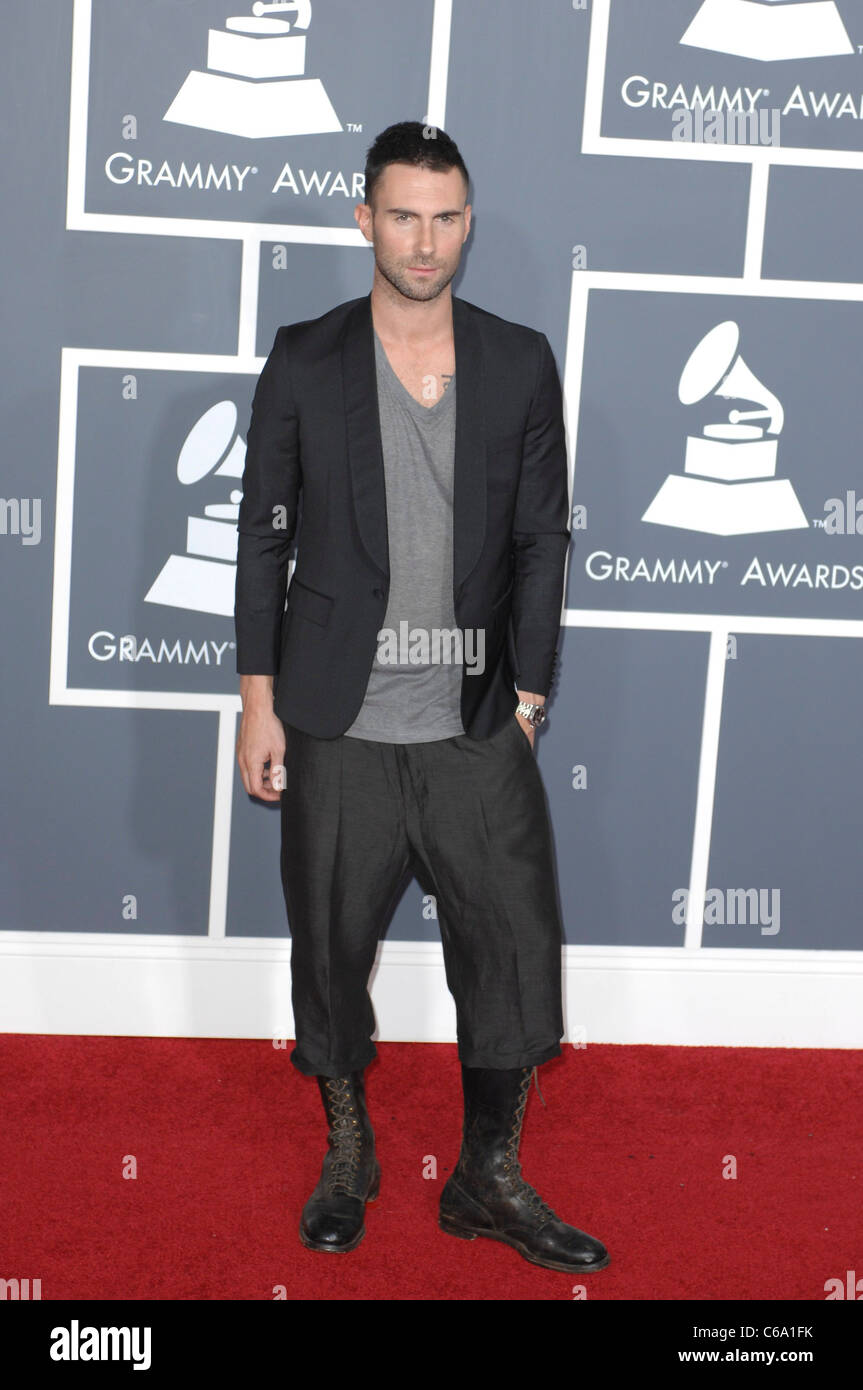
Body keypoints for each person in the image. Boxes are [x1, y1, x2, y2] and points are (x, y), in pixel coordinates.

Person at [234, 121, 609, 1275]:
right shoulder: (304, 358)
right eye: (404, 214)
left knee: (513, 952)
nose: (426, 239)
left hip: (474, 718)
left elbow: (544, 540)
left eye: (447, 216)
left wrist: (530, 697)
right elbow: (261, 543)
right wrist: (258, 703)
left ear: (467, 224)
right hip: (334, 719)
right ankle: (350, 1152)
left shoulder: (517, 359)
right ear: (364, 220)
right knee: (330, 953)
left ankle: (486, 1181)